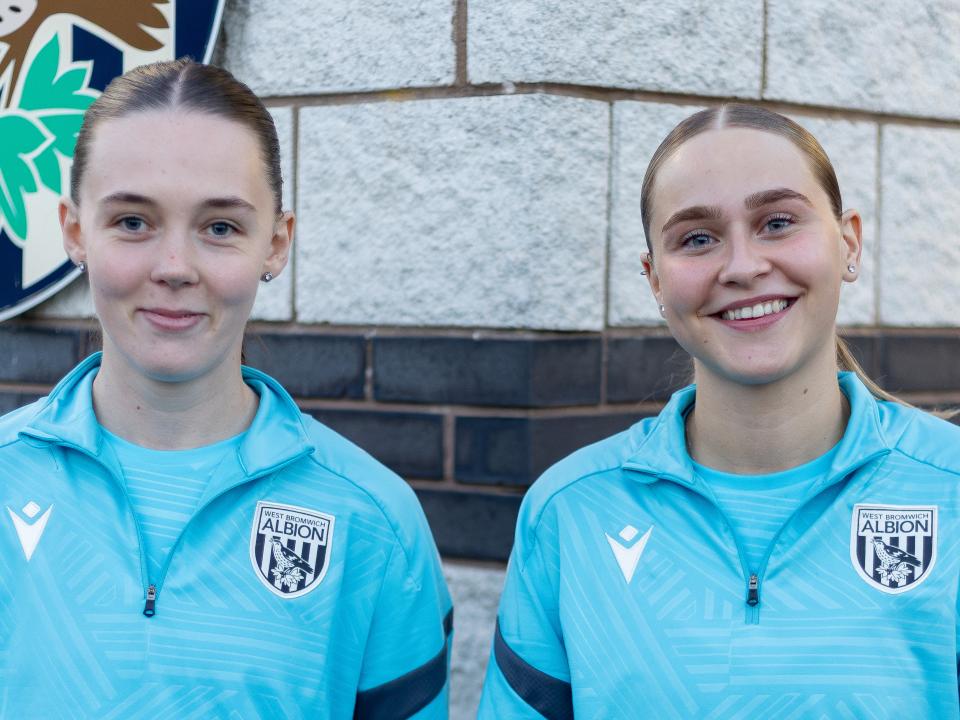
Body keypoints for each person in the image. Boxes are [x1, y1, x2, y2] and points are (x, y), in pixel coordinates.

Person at [0, 59, 452, 719]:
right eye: (132, 222)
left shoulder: (374, 520)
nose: (175, 267)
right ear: (75, 232)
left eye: (220, 227)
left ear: (276, 242)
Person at [479, 104, 960, 719]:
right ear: (655, 280)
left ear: (848, 242)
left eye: (778, 221)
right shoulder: (570, 511)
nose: (742, 266)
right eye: (697, 238)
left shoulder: (948, 489)